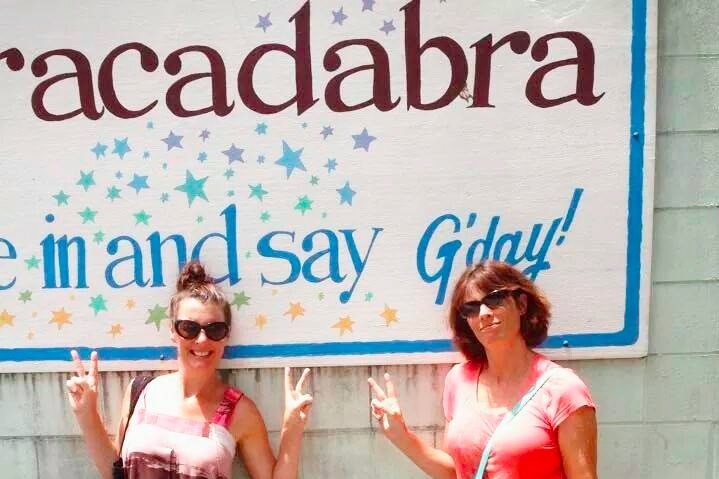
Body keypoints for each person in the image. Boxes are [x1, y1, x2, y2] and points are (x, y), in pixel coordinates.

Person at [66, 261, 313, 479]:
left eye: (214, 329)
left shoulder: (239, 411)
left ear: (226, 336)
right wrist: (86, 413)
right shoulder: (141, 391)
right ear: (173, 331)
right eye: (189, 328)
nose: (202, 340)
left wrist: (291, 430)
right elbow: (116, 473)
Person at [368, 260, 597, 479]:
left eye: (495, 299)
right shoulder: (458, 380)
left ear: (522, 304)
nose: (484, 313)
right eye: (472, 307)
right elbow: (457, 472)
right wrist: (402, 437)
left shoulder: (563, 390)